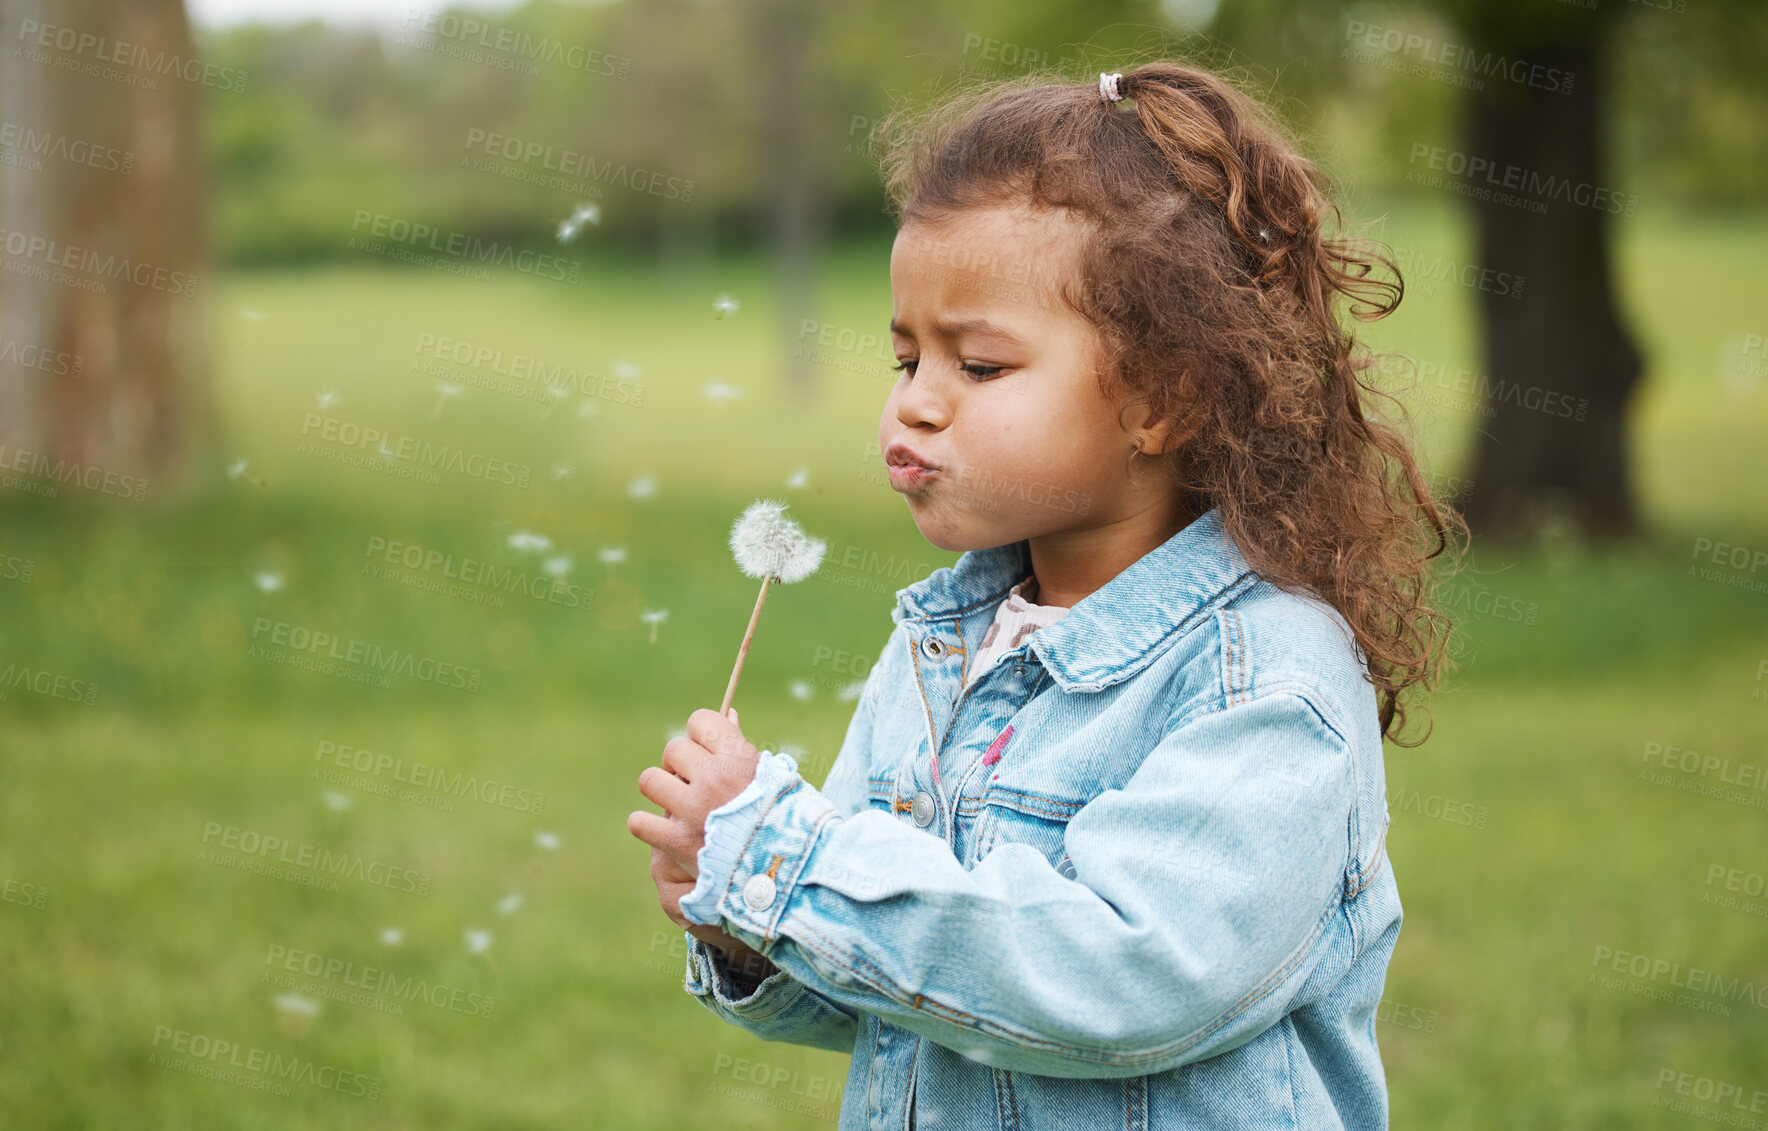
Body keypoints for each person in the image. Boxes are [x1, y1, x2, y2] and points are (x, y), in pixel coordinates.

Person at [628, 60, 1462, 1130]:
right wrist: (750, 926)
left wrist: (789, 866)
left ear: (1162, 397)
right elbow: (908, 990)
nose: (916, 407)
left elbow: (1126, 984)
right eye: (903, 359)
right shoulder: (938, 651)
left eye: (977, 367)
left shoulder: (1264, 680)